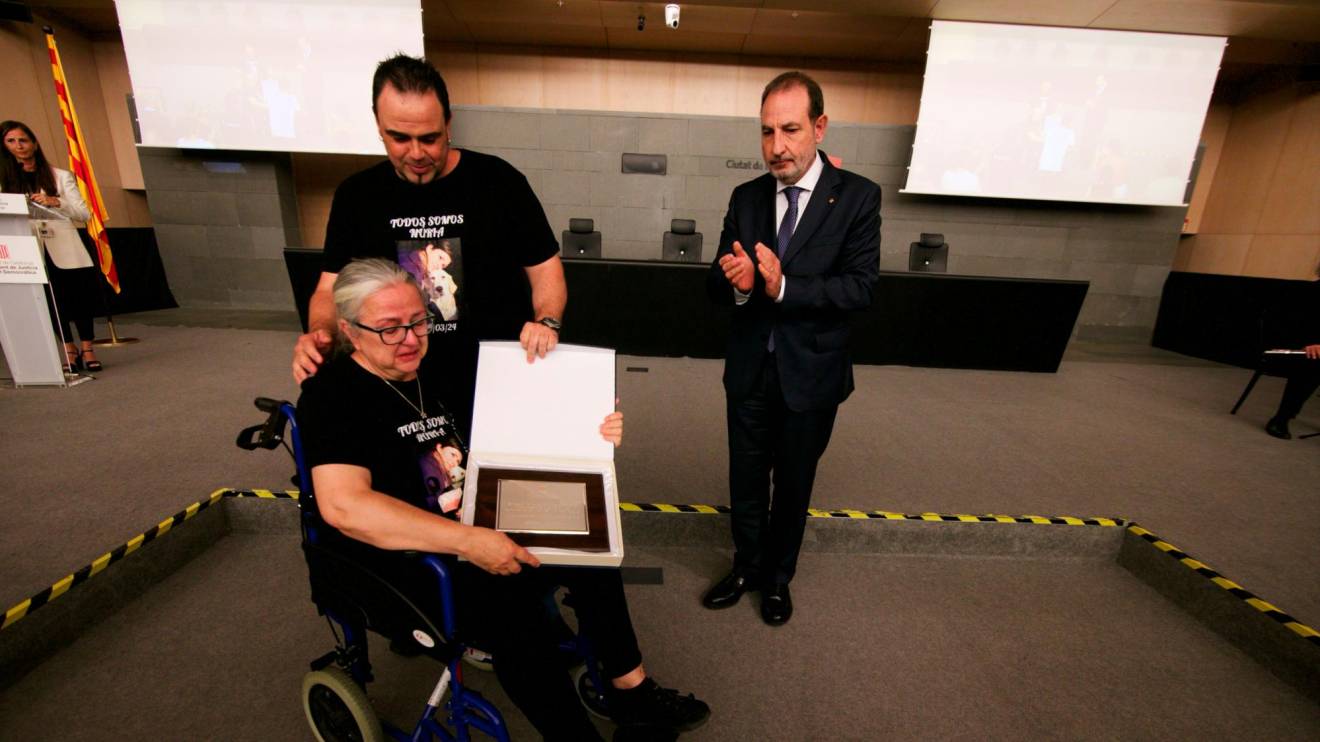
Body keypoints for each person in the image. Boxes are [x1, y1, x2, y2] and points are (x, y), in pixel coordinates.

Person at [297, 259, 709, 741]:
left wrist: (593, 428)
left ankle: (630, 690)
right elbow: (344, 506)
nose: (410, 339)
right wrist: (469, 542)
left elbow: (520, 423)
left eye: (417, 322)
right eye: (389, 329)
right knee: (515, 614)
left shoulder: (442, 368)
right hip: (413, 554)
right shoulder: (332, 396)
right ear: (349, 329)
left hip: (485, 515)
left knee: (591, 548)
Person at [291, 54, 564, 437]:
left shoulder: (500, 182)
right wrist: (318, 334)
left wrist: (546, 321)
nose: (416, 153)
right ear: (378, 126)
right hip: (398, 374)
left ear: (448, 124)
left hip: (494, 371)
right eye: (399, 138)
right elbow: (327, 288)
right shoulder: (356, 196)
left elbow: (546, 269)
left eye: (429, 138)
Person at [702, 72, 880, 626]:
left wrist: (782, 287)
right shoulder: (746, 197)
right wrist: (736, 281)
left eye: (790, 130)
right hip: (751, 367)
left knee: (794, 482)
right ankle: (747, 567)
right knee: (746, 478)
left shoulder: (857, 198)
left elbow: (860, 287)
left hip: (812, 372)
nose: (776, 146)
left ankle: (778, 580)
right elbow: (716, 278)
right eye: (766, 132)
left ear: (820, 127)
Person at [1, 120, 103, 372]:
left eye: (23, 140)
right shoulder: (4, 180)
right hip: (28, 247)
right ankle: (69, 348)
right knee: (52, 301)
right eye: (11, 141)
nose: (19, 146)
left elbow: (83, 213)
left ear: (34, 143)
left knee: (78, 297)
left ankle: (88, 348)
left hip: (64, 243)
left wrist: (55, 201)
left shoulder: (60, 175)